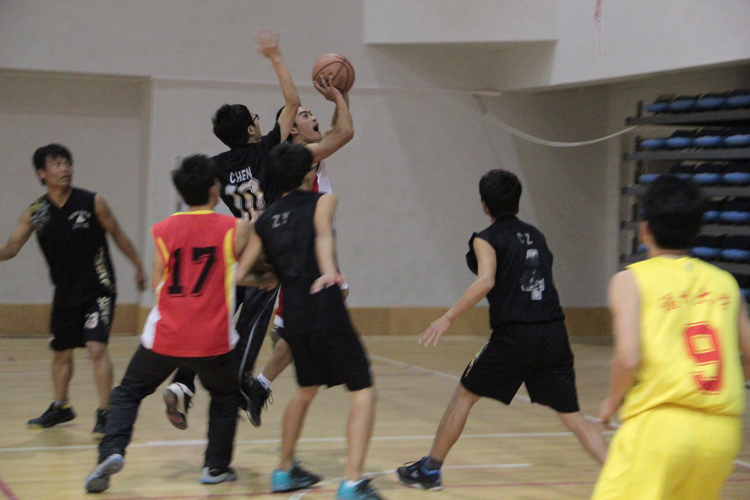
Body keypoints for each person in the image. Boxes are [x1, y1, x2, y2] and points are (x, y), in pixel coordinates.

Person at [397, 169, 607, 491]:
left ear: (485, 204)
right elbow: (550, 284)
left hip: (515, 335)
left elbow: (485, 281)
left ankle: (430, 471)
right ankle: (623, 477)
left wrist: (447, 318)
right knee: (572, 416)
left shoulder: (486, 238)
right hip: (553, 331)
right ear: (517, 201)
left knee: (464, 395)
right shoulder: (537, 236)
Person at [84, 155, 276, 493]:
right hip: (213, 338)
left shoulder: (162, 230)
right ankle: (216, 467)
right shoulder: (236, 229)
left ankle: (112, 450)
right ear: (215, 190)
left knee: (128, 393)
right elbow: (253, 272)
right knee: (225, 396)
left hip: (166, 334)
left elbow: (157, 283)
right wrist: (269, 277)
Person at [162, 28, 300, 429]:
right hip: (266, 252)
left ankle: (183, 383)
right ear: (253, 130)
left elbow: (193, 191)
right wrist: (275, 57)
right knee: (249, 325)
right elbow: (292, 102)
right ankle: (235, 385)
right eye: (256, 119)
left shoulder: (217, 166)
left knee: (215, 319)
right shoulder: (268, 150)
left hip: (233, 247)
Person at [236, 143, 381, 500]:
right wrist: (329, 270)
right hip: (325, 308)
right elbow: (323, 234)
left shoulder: (265, 220)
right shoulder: (322, 202)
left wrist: (272, 278)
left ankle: (284, 471)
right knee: (364, 392)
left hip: (294, 316)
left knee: (305, 389)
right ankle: (353, 483)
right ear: (307, 173)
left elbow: (240, 274)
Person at [591, 175, 750, 500]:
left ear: (644, 229)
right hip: (721, 434)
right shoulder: (724, 282)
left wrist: (612, 400)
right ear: (696, 230)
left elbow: (628, 359)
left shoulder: (631, 280)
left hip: (660, 428)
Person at [0, 143, 145, 438]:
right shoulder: (37, 212)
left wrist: (138, 267)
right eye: (57, 164)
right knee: (61, 351)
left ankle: (105, 413)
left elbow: (118, 234)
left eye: (67, 163)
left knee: (96, 347)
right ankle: (61, 406)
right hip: (65, 292)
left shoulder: (92, 202)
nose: (65, 169)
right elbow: (11, 248)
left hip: (99, 289)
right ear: (42, 173)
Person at [243, 84, 355, 428]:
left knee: (320, 309)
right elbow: (345, 132)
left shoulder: (302, 153)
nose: (313, 117)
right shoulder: (302, 156)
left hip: (304, 245)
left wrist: (341, 96)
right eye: (305, 115)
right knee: (326, 303)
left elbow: (338, 128)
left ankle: (267, 376)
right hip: (306, 246)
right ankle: (267, 377)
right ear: (292, 129)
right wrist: (340, 97)